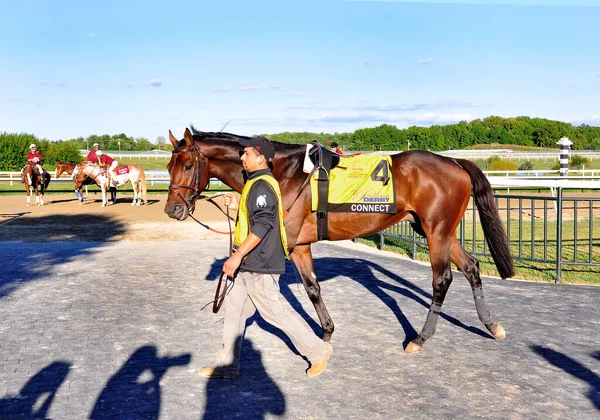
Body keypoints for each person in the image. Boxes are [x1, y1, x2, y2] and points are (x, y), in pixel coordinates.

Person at [199, 135, 333, 379]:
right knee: (235, 311)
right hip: (249, 261)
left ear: (262, 157)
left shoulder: (262, 184)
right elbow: (262, 211)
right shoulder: (254, 183)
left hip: (259, 261)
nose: (242, 157)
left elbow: (263, 224)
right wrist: (239, 201)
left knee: (273, 311)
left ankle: (318, 351)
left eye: (247, 153)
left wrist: (237, 256)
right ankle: (228, 366)